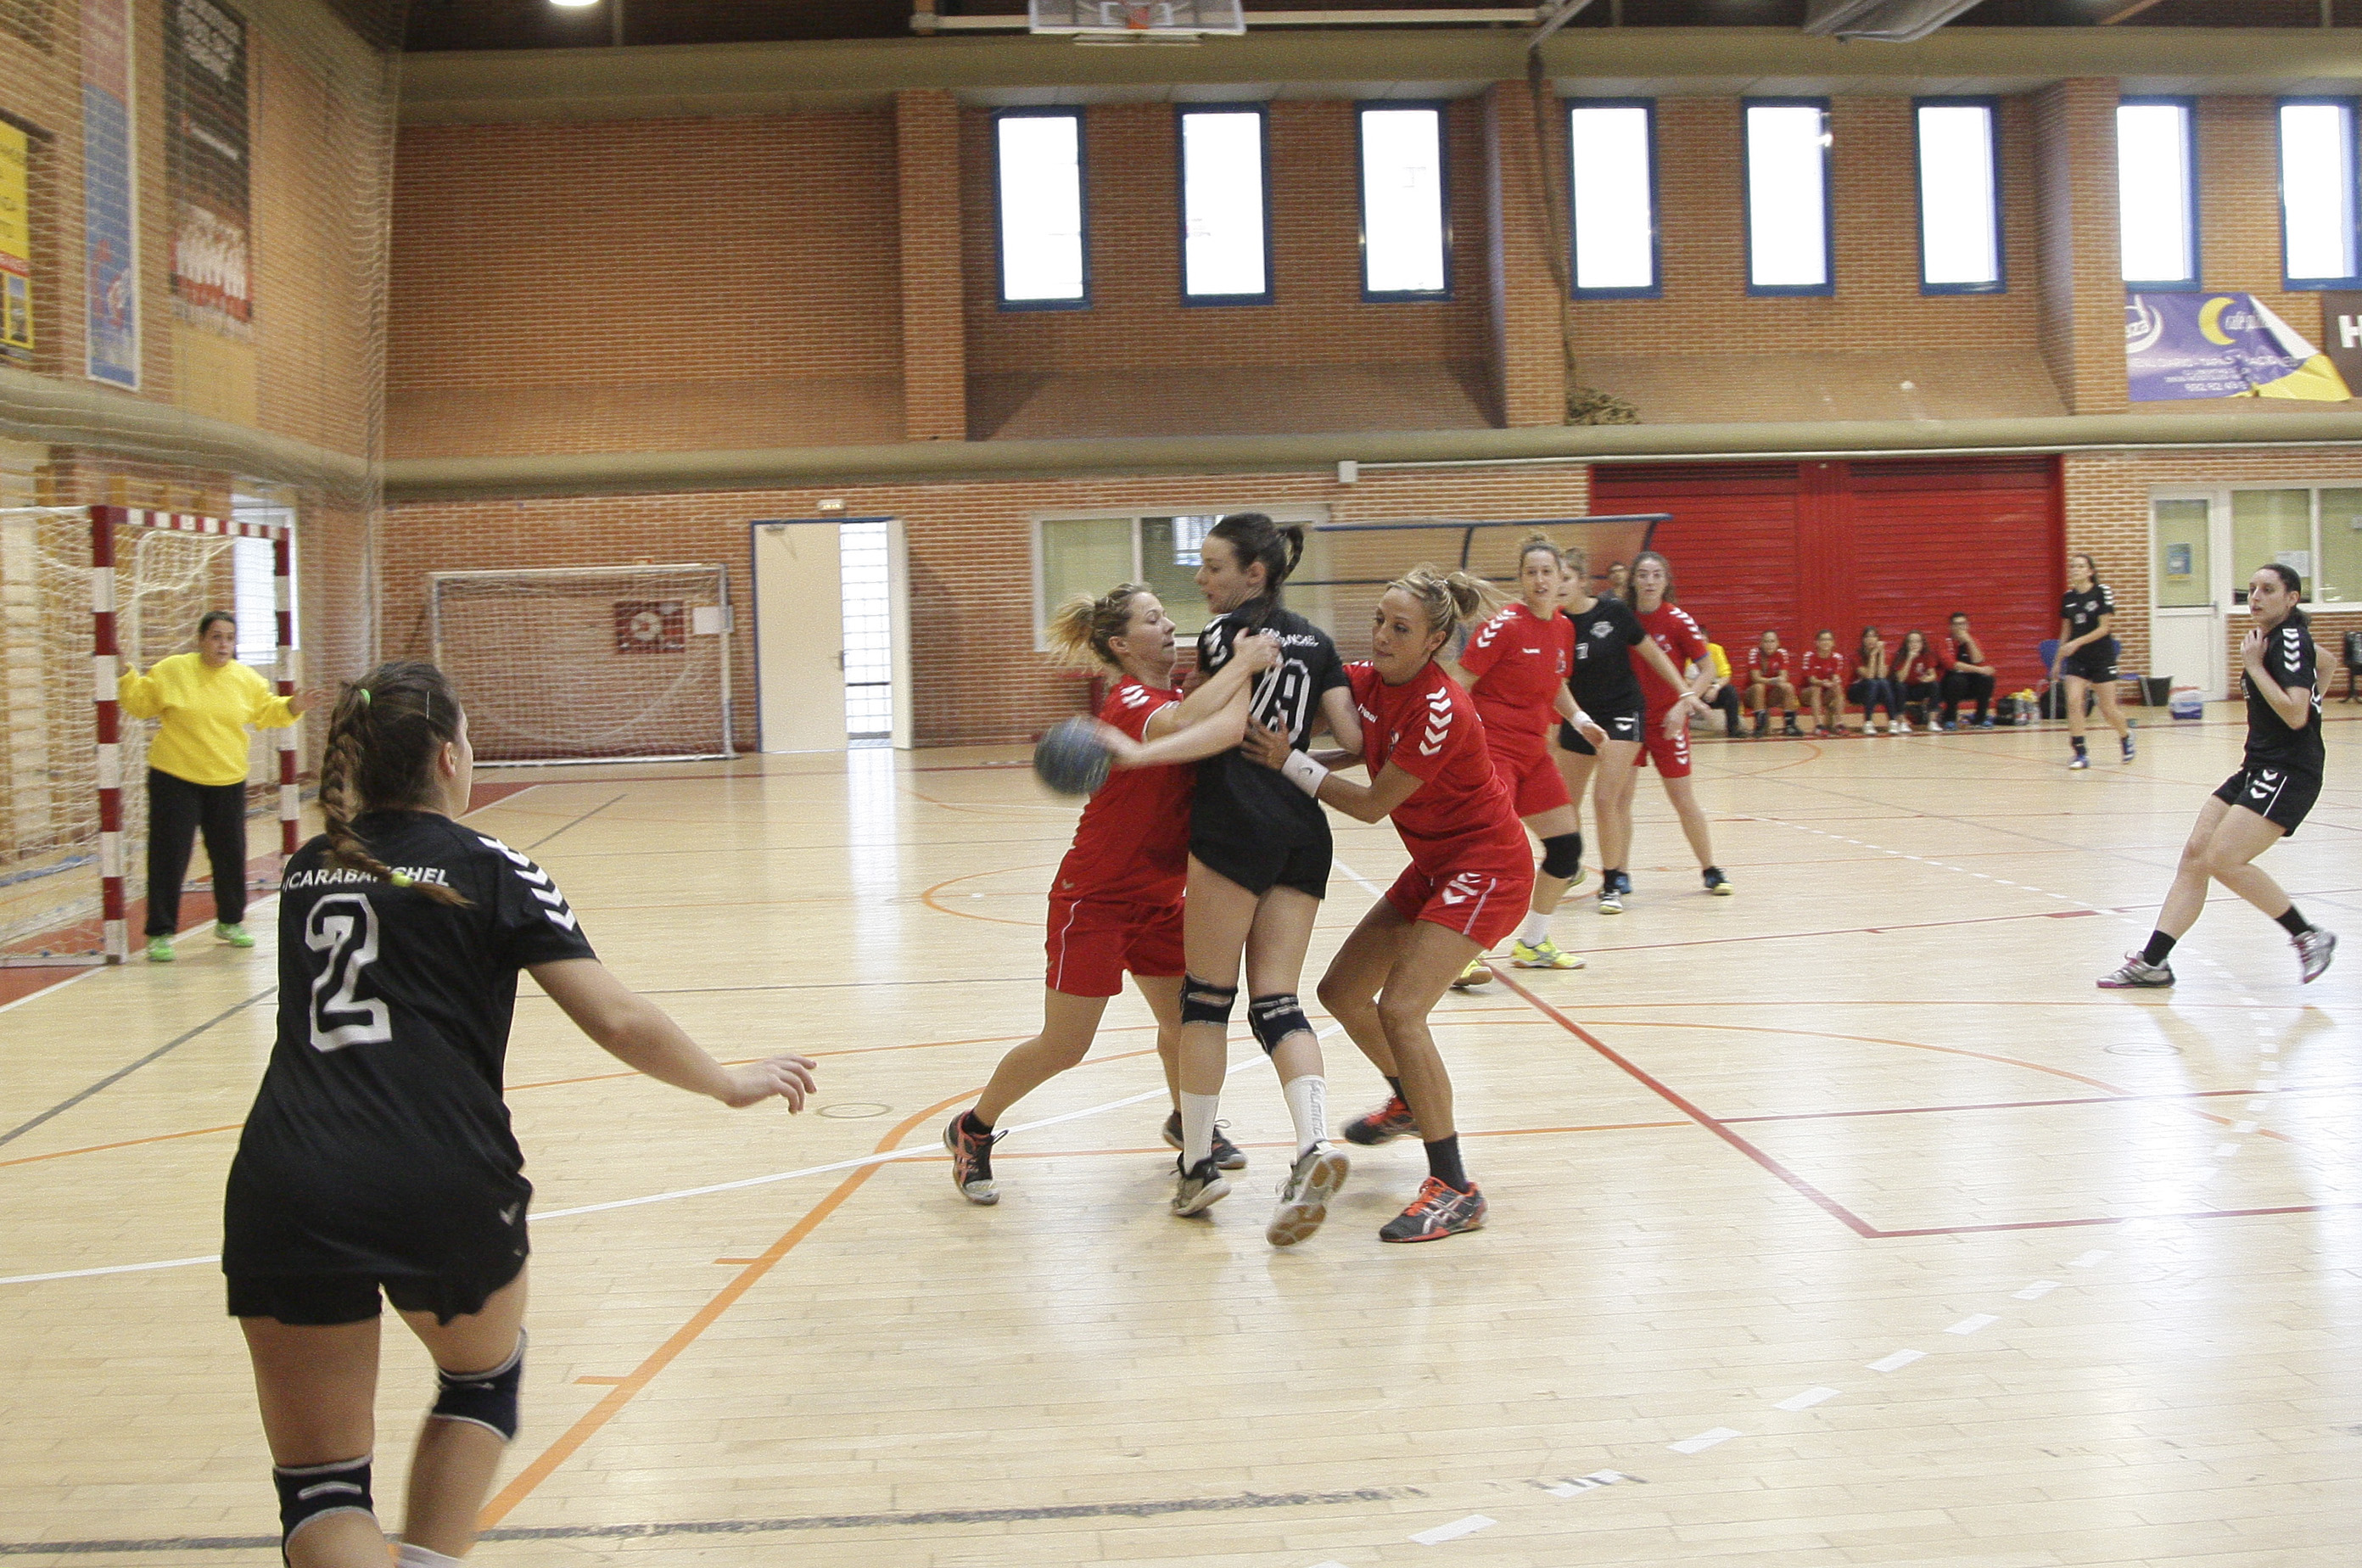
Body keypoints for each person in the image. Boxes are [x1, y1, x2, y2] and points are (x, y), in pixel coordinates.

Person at [221, 661, 816, 1568]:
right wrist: (729, 1082)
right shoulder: (489, 865)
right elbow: (616, 1016)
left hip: (286, 1177)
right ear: (452, 757)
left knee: (323, 1489)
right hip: (435, 1169)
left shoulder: (313, 865)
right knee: (480, 1380)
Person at [942, 585, 1281, 1205]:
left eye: (1165, 612)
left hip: (1158, 896)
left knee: (1184, 1022)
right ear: (1123, 644)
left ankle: (1188, 1124)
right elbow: (1180, 725)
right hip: (1092, 898)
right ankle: (973, 1128)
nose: (1169, 622)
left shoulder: (1178, 695)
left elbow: (1211, 721)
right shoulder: (1130, 699)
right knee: (1065, 1046)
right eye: (1154, 618)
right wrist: (1244, 662)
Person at [1247, 566, 1534, 1242]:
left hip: (1486, 866)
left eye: (1399, 628)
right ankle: (1408, 1099)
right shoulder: (1370, 683)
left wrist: (1288, 762)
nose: (1381, 635)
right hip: (1437, 863)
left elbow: (1376, 806)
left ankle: (1455, 1187)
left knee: (1402, 1009)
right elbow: (1358, 740)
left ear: (1435, 639)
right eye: (1378, 619)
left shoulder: (1441, 708)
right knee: (1342, 991)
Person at [1167, 512, 1364, 1247]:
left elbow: (1213, 722)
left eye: (1213, 567)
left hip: (1233, 823)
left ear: (1254, 574)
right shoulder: (1319, 641)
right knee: (1277, 999)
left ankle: (1195, 1167)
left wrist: (1151, 746)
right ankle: (1313, 1147)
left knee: (1206, 999)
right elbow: (1357, 742)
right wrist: (1294, 758)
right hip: (1303, 828)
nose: (1201, 579)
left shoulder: (1230, 638)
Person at [2100, 564, 2336, 989]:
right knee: (2196, 855)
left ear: (2292, 598)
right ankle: (2153, 963)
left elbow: (2297, 714)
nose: (2256, 597)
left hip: (2288, 770)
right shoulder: (2276, 638)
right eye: (2251, 589)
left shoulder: (2289, 638)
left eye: (2268, 589)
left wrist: (2255, 667)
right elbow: (2329, 662)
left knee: (2224, 860)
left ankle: (2308, 935)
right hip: (2257, 765)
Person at [1448, 534, 1606, 984]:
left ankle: (1533, 942)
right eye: (1531, 572)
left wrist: (1580, 719)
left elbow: (1554, 683)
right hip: (1494, 751)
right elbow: (1461, 682)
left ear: (1560, 580)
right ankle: (1458, 953)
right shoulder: (1504, 626)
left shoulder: (1562, 627)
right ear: (1521, 579)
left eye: (1547, 572)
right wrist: (1461, 742)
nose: (1540, 580)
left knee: (1566, 848)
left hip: (1535, 754)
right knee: (1489, 854)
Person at [118, 611, 311, 961]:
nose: (223, 644)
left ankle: (230, 921)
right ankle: (160, 932)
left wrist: (293, 705)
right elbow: (139, 703)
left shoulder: (246, 680)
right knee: (169, 855)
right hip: (174, 777)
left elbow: (268, 711)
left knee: (229, 853)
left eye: (229, 638)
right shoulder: (173, 670)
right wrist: (123, 674)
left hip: (226, 778)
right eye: (216, 637)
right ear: (201, 640)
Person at [1553, 546, 1693, 916]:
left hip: (1622, 713)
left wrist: (1684, 691)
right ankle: (1571, 866)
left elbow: (1653, 654)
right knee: (1563, 804)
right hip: (1580, 717)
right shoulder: (1554, 624)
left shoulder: (1612, 612)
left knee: (1605, 799)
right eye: (1554, 578)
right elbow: (1553, 682)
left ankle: (1612, 881)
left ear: (1582, 581)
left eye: (1565, 577)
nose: (1558, 585)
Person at [1621, 551, 1732, 899]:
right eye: (1643, 575)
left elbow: (1708, 669)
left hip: (1668, 722)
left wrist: (1684, 705)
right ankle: (1619, 875)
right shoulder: (1623, 619)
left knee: (1683, 800)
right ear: (1634, 581)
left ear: (1666, 581)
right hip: (1628, 722)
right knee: (1620, 801)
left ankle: (1710, 868)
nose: (1650, 581)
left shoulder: (1679, 620)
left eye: (1656, 575)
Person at [2057, 552, 2133, 769]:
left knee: (2107, 708)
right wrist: (2057, 661)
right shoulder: (2068, 598)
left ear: (2090, 571)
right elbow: (2065, 633)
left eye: (2081, 566)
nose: (2076, 569)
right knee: (2073, 702)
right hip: (2077, 659)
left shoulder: (2102, 592)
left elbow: (2104, 628)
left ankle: (2126, 735)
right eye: (2073, 566)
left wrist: (2077, 642)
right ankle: (2080, 752)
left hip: (2101, 656)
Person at [1937, 612, 1998, 729]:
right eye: (1957, 624)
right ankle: (1949, 718)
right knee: (1957, 680)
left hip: (1970, 685)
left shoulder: (1973, 641)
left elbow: (1978, 660)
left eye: (1963, 624)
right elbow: (1953, 665)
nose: (1960, 627)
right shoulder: (1944, 642)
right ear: (1951, 627)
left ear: (1968, 626)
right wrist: (1980, 670)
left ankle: (1980, 718)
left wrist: (1969, 641)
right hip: (1949, 685)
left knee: (1987, 679)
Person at [1744, 630, 1801, 739]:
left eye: (1772, 641)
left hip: (1771, 695)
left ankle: (1790, 725)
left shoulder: (1782, 653)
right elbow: (1756, 678)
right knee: (1759, 687)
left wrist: (1773, 681)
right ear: (1761, 643)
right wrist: (1773, 680)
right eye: (1766, 641)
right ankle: (1759, 726)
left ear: (1778, 643)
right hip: (1752, 695)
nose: (1769, 644)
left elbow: (1783, 677)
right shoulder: (1754, 653)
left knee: (1788, 687)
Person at [1851, 626, 1904, 735]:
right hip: (1858, 690)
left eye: (1874, 636)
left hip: (1878, 691)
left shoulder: (1886, 655)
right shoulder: (1856, 655)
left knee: (1883, 682)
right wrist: (1873, 655)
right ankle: (1868, 722)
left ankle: (1892, 721)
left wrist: (1881, 653)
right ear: (1863, 640)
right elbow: (1869, 675)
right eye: (1867, 637)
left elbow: (1881, 675)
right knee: (1872, 682)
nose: (1871, 639)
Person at [1800, 629, 1848, 736]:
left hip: (1826, 693)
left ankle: (1839, 724)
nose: (1826, 642)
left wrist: (1835, 681)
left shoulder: (1837, 658)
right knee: (1816, 687)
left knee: (1838, 688)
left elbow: (1836, 676)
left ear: (1833, 643)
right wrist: (1823, 683)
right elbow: (1811, 680)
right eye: (1822, 640)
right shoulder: (1809, 656)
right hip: (1807, 694)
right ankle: (1818, 725)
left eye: (1829, 639)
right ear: (1816, 643)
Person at [1894, 630, 1942, 732]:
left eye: (1917, 641)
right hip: (1905, 690)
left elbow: (1933, 675)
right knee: (1900, 686)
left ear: (1922, 643)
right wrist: (1910, 659)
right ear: (1907, 644)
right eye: (1911, 641)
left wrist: (1927, 679)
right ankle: (1902, 722)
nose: (1914, 644)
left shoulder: (1926, 655)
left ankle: (1932, 721)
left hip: (1919, 688)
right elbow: (1901, 678)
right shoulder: (1901, 656)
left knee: (1934, 685)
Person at [1697, 641, 1744, 738]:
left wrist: (1715, 688)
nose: (1701, 644)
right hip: (1693, 691)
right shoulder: (1687, 652)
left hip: (1711, 691)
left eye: (1703, 641)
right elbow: (1683, 679)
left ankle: (1733, 729)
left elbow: (1726, 676)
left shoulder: (1716, 650)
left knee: (1730, 691)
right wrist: (1703, 686)